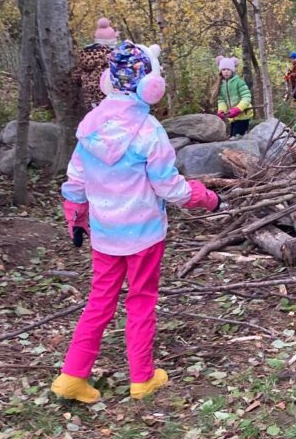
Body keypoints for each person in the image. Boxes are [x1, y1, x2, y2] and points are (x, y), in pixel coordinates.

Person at [53, 41, 220, 405]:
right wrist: (205, 197)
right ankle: (142, 378)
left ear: (108, 81)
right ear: (150, 85)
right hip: (144, 235)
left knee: (100, 301)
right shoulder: (148, 130)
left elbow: (76, 180)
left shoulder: (89, 127)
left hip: (105, 236)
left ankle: (72, 375)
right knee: (141, 300)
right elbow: (169, 187)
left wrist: (76, 215)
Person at [76, 17, 118, 111]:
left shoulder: (84, 54)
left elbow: (77, 77)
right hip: (106, 94)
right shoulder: (110, 56)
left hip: (89, 96)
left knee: (95, 115)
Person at [213, 56, 253, 137]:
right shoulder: (221, 84)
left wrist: (238, 109)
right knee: (232, 137)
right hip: (232, 118)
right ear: (220, 71)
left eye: (228, 69)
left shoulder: (239, 82)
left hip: (243, 116)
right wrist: (221, 110)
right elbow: (221, 100)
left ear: (232, 70)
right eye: (223, 69)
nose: (226, 72)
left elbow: (247, 97)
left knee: (236, 138)